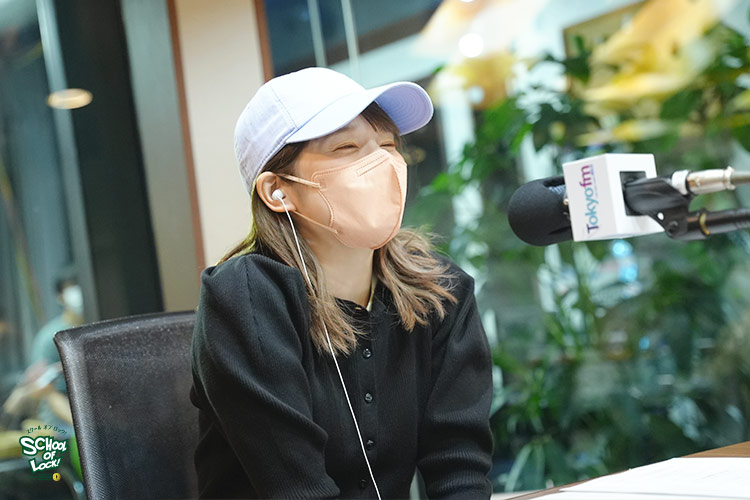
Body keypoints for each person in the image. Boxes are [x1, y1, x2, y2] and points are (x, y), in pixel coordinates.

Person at [189, 67, 494, 499]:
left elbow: (459, 469)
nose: (382, 163)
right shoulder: (246, 297)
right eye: (347, 147)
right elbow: (298, 490)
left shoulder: (442, 291)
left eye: (388, 145)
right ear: (277, 191)